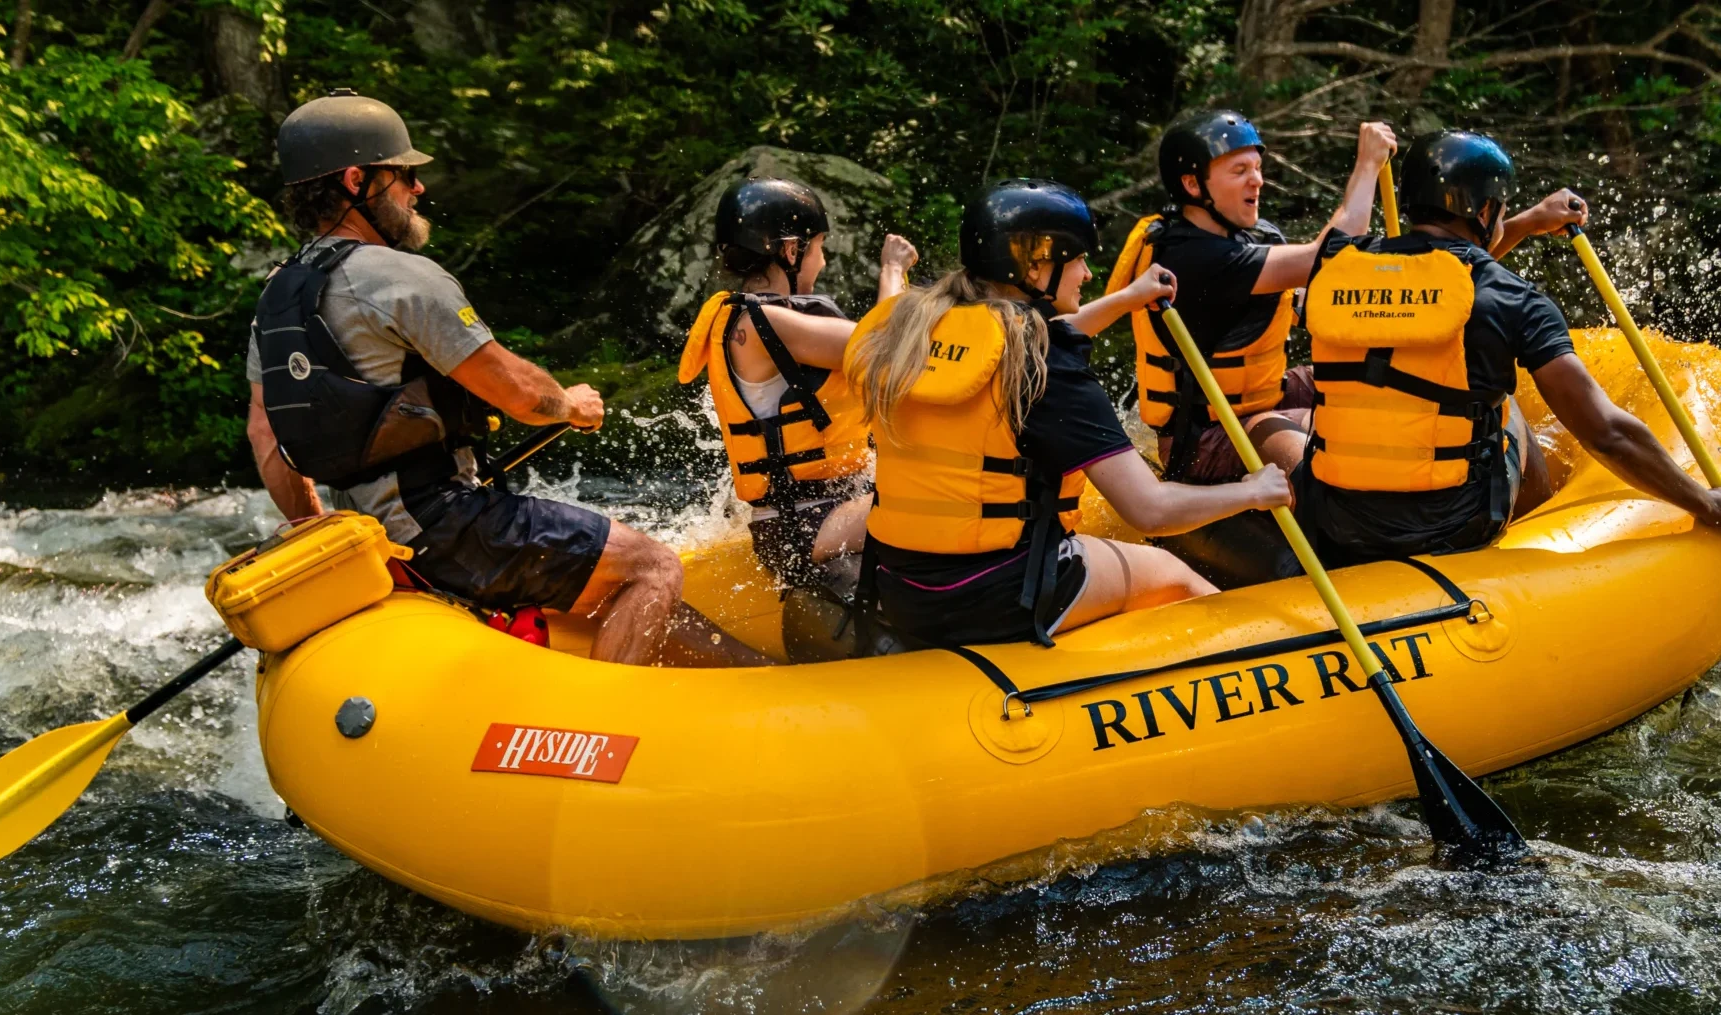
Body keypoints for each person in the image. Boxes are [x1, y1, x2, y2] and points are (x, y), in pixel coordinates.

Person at [244, 90, 764, 667]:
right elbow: (517, 395)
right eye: (400, 176)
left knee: (611, 585)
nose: (417, 189)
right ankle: (594, 736)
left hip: (373, 535)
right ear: (354, 181)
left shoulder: (278, 294)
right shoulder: (398, 277)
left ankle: (756, 677)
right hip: (442, 524)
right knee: (652, 566)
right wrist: (569, 404)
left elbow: (266, 436)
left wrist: (328, 543)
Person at [844, 180, 1292, 648]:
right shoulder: (1044, 367)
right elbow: (1150, 511)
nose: (1088, 273)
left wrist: (1127, 299)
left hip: (901, 586)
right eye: (1077, 259)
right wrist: (1251, 491)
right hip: (992, 596)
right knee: (1172, 573)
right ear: (1035, 269)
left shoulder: (916, 327)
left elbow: (1031, 335)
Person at [1294, 129, 1721, 568]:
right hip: (1444, 527)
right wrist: (1705, 501)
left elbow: (1442, 287)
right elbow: (1606, 433)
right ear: (1484, 210)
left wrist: (1530, 221)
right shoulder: (1513, 298)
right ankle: (1538, 524)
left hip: (1334, 519)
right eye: (1501, 207)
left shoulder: (1336, 270)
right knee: (1502, 404)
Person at [1102, 112, 1396, 585]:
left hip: (1258, 397)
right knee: (1334, 435)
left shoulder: (1242, 238)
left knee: (1372, 381)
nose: (1257, 179)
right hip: (1206, 437)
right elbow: (1330, 257)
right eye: (1238, 171)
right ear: (1193, 186)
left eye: (1257, 167)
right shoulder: (1189, 256)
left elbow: (1317, 291)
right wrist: (1365, 168)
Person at [675, 179, 918, 598]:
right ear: (790, 250)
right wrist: (893, 270)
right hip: (807, 525)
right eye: (819, 247)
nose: (822, 262)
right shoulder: (764, 322)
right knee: (944, 496)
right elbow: (888, 350)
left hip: (804, 517)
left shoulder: (748, 317)